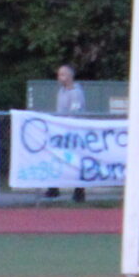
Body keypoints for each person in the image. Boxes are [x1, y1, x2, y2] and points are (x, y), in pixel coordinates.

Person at [49, 64, 89, 201]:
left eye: (63, 74)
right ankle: (53, 188)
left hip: (73, 132)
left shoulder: (76, 92)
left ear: (70, 76)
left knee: (76, 160)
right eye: (59, 74)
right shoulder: (61, 91)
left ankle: (79, 191)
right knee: (56, 157)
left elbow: (75, 112)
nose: (60, 77)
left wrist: (66, 124)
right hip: (61, 131)